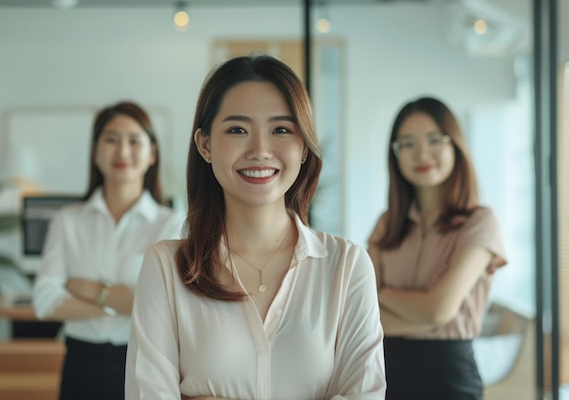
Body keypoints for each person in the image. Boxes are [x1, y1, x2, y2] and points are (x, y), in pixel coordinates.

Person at [125, 54, 386, 400]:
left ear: (304, 147)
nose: (260, 150)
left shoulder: (346, 266)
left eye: (281, 130)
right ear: (204, 145)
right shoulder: (166, 267)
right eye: (237, 130)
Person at [32, 101, 183, 400]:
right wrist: (123, 301)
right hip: (79, 364)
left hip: (144, 363)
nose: (122, 151)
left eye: (134, 140)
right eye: (111, 139)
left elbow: (169, 309)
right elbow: (44, 301)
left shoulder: (173, 224)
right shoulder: (68, 221)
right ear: (95, 151)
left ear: (152, 153)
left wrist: (89, 291)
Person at [367, 97, 507, 400]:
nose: (422, 153)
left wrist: (383, 295)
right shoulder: (386, 224)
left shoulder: (480, 222)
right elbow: (362, 311)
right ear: (396, 154)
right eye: (407, 143)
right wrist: (424, 313)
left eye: (434, 140)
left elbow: (439, 308)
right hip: (384, 372)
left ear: (455, 145)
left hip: (449, 377)